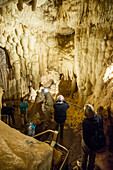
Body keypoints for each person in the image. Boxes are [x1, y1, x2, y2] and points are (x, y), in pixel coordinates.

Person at [80, 104, 104, 170]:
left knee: (84, 156)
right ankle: (90, 168)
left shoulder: (85, 123)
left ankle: (83, 168)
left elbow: (85, 136)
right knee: (92, 158)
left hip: (88, 145)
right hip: (96, 143)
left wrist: (88, 145)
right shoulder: (99, 118)